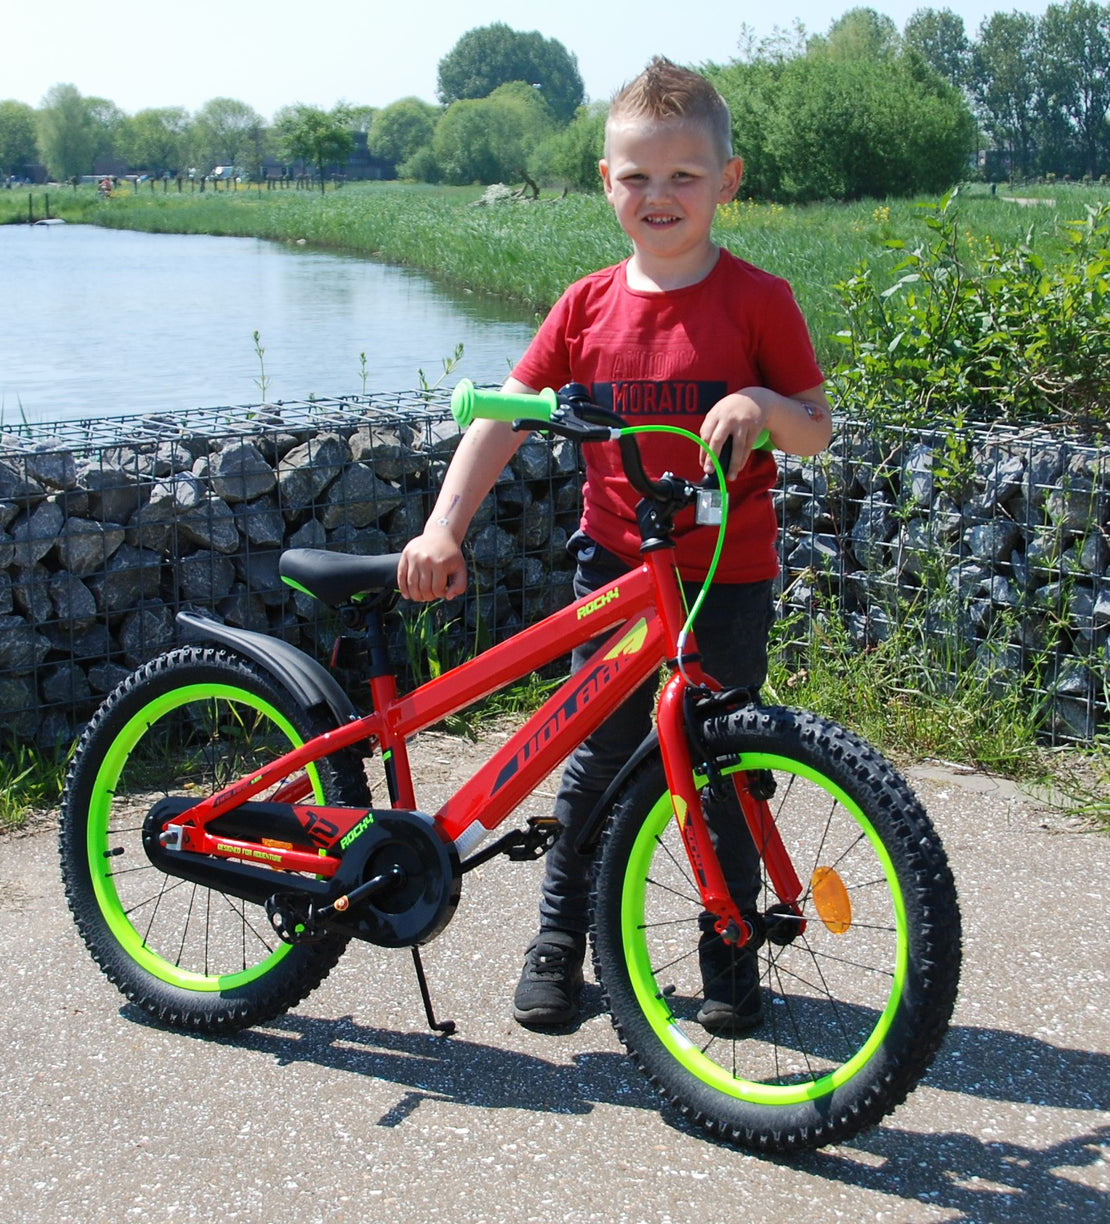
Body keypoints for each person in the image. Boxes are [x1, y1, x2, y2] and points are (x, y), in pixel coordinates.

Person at [397, 57, 832, 1030]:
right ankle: (561, 936)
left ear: (726, 181)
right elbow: (504, 418)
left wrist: (759, 405)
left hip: (724, 575)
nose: (658, 196)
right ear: (606, 183)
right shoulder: (586, 306)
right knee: (598, 758)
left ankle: (727, 944)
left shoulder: (756, 300)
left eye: (683, 176)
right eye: (636, 177)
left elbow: (813, 425)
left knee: (717, 760)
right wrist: (442, 525)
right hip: (616, 570)